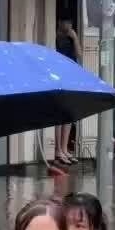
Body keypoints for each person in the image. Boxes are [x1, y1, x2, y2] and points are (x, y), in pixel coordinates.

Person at [53, 18, 82, 171]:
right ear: (60, 23)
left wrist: (75, 38)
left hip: (71, 75)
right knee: (59, 114)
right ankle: (58, 150)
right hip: (59, 76)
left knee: (69, 114)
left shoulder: (72, 38)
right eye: (66, 23)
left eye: (70, 23)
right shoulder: (56, 37)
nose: (68, 26)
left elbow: (79, 54)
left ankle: (64, 148)